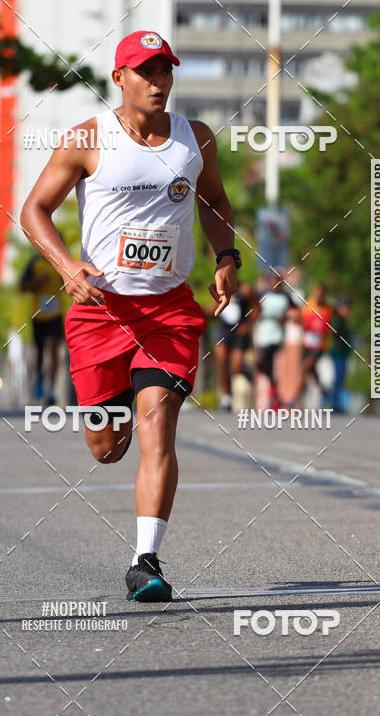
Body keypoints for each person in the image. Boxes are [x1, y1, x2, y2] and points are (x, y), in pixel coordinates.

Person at [20, 30, 239, 602]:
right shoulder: (86, 140)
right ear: (119, 78)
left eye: (165, 71)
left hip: (168, 310)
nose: (158, 82)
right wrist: (67, 266)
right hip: (100, 312)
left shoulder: (196, 140)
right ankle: (106, 411)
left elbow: (213, 201)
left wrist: (227, 256)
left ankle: (146, 561)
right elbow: (35, 209)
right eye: (146, 71)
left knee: (158, 429)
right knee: (105, 446)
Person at [20, 253, 66, 404]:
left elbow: (68, 284)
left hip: (56, 313)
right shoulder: (34, 263)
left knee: (54, 349)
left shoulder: (61, 262)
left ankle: (51, 388)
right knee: (39, 351)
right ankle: (39, 377)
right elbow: (23, 287)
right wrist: (39, 282)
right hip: (38, 314)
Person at [254, 269, 298, 409]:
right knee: (260, 362)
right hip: (264, 332)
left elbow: (296, 312)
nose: (276, 283)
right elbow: (254, 310)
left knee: (275, 366)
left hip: (278, 335)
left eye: (279, 280)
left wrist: (285, 318)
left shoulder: (286, 297)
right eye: (274, 280)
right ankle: (274, 388)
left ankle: (274, 396)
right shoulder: (263, 295)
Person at [212, 281, 259, 411]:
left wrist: (248, 324)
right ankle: (226, 397)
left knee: (235, 367)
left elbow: (257, 308)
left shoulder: (244, 289)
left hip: (239, 330)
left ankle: (245, 370)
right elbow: (213, 310)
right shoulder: (218, 288)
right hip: (224, 329)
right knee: (221, 359)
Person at [299, 283, 333, 403]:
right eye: (316, 293)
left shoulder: (328, 309)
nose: (318, 295)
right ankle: (322, 388)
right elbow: (301, 321)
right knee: (310, 368)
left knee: (306, 367)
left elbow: (329, 327)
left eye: (321, 293)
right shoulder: (307, 306)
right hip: (306, 343)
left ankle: (296, 397)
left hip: (319, 346)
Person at [330, 298, 352, 413]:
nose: (347, 311)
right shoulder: (336, 320)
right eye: (345, 308)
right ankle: (335, 403)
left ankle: (337, 403)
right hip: (337, 353)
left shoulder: (344, 321)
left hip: (343, 354)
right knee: (337, 378)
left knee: (341, 378)